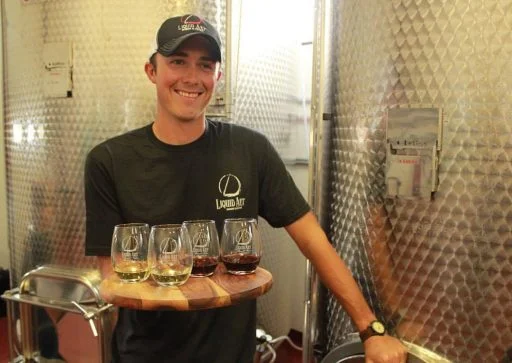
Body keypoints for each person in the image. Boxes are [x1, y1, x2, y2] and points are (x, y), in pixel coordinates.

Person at [84, 13, 407, 363]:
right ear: (152, 71)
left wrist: (369, 328)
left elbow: (312, 239)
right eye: (178, 62)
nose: (192, 78)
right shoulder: (109, 161)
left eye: (205, 65)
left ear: (218, 76)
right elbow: (112, 276)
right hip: (143, 355)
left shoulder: (249, 150)